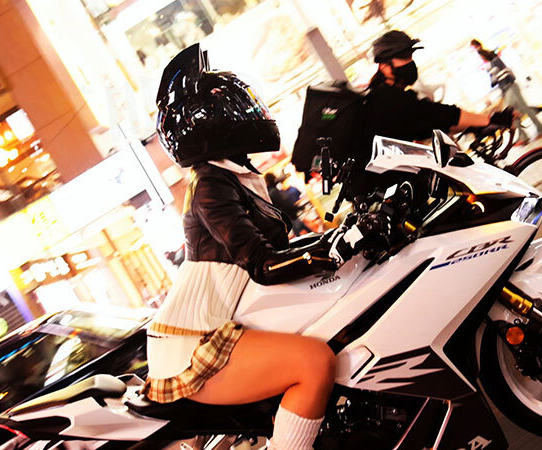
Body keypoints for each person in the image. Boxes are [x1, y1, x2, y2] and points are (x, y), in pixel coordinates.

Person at [146, 44, 378, 449]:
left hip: (232, 319)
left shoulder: (234, 175)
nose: (250, 113)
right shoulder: (210, 184)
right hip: (197, 337)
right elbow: (262, 263)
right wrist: (331, 250)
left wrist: (343, 234)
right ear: (211, 124)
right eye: (237, 108)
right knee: (314, 363)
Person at [354, 30, 515, 195]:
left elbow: (430, 123)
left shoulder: (385, 95)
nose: (410, 63)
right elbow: (436, 115)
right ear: (384, 67)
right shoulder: (387, 99)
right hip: (382, 189)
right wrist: (490, 119)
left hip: (389, 184)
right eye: (403, 58)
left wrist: (473, 125)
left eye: (410, 56)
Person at [469, 38, 542, 144]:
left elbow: (502, 77)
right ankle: (525, 135)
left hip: (510, 88)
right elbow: (496, 79)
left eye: (481, 57)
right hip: (508, 89)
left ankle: (536, 131)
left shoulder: (494, 62)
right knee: (516, 112)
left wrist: (494, 78)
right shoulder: (492, 63)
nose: (481, 59)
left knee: (516, 112)